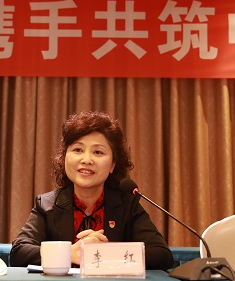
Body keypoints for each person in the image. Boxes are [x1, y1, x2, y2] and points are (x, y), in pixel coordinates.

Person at [10, 111, 174, 270]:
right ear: (64, 158)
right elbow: (19, 252)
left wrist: (104, 253)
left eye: (98, 152)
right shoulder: (47, 205)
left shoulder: (127, 205)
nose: (86, 160)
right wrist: (68, 254)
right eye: (78, 150)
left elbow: (162, 255)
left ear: (112, 165)